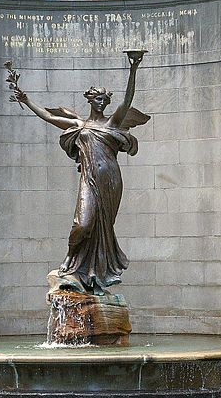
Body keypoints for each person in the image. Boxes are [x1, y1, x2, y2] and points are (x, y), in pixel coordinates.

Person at [15, 51, 150, 295]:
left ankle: (95, 274)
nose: (101, 102)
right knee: (83, 224)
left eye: (104, 99)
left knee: (103, 227)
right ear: (90, 100)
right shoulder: (80, 126)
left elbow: (127, 100)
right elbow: (49, 116)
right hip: (89, 180)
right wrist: (27, 101)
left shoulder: (111, 124)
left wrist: (133, 69)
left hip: (111, 181)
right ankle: (70, 259)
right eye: (97, 98)